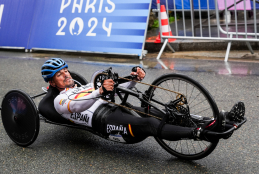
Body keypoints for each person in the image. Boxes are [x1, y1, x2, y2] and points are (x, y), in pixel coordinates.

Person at [41, 58, 245, 143]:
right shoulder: (60, 100)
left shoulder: (82, 86)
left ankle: (219, 121)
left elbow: (117, 88)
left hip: (116, 108)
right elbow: (78, 105)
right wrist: (99, 92)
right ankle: (204, 134)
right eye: (60, 75)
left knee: (164, 114)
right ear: (51, 82)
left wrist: (133, 79)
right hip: (105, 123)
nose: (67, 75)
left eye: (66, 70)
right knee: (149, 124)